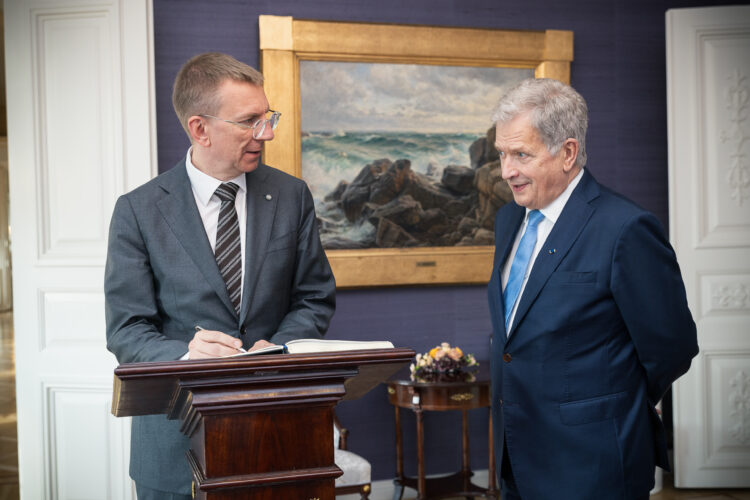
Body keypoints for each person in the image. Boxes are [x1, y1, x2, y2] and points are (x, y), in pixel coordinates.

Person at [104, 52, 336, 499]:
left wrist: (280, 347)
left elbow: (314, 297)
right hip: (173, 450)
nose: (265, 134)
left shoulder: (292, 196)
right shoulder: (137, 211)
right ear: (200, 128)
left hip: (280, 434)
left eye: (268, 118)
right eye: (249, 121)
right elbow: (126, 329)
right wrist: (188, 355)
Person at [487, 78, 698, 500]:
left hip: (593, 463)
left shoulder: (625, 229)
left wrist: (611, 404)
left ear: (567, 152)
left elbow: (672, 347)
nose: (507, 170)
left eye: (521, 154)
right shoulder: (509, 219)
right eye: (503, 154)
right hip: (516, 456)